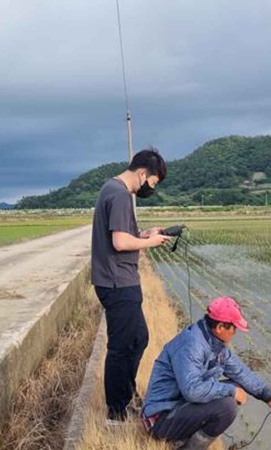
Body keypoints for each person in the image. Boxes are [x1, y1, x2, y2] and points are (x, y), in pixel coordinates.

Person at [142, 296, 271, 450]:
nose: (235, 333)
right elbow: (192, 390)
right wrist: (231, 391)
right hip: (161, 418)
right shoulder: (192, 345)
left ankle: (184, 439)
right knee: (226, 406)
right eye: (234, 328)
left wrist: (269, 397)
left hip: (179, 407)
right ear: (220, 327)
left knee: (235, 385)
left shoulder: (215, 343)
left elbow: (239, 371)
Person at [91, 147, 172, 423]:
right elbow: (120, 243)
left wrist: (145, 233)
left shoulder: (112, 190)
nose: (152, 188)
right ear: (142, 173)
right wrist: (150, 243)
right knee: (122, 346)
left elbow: (125, 235)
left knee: (137, 339)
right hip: (117, 282)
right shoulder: (120, 194)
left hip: (117, 280)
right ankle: (116, 413)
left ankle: (125, 397)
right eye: (153, 182)